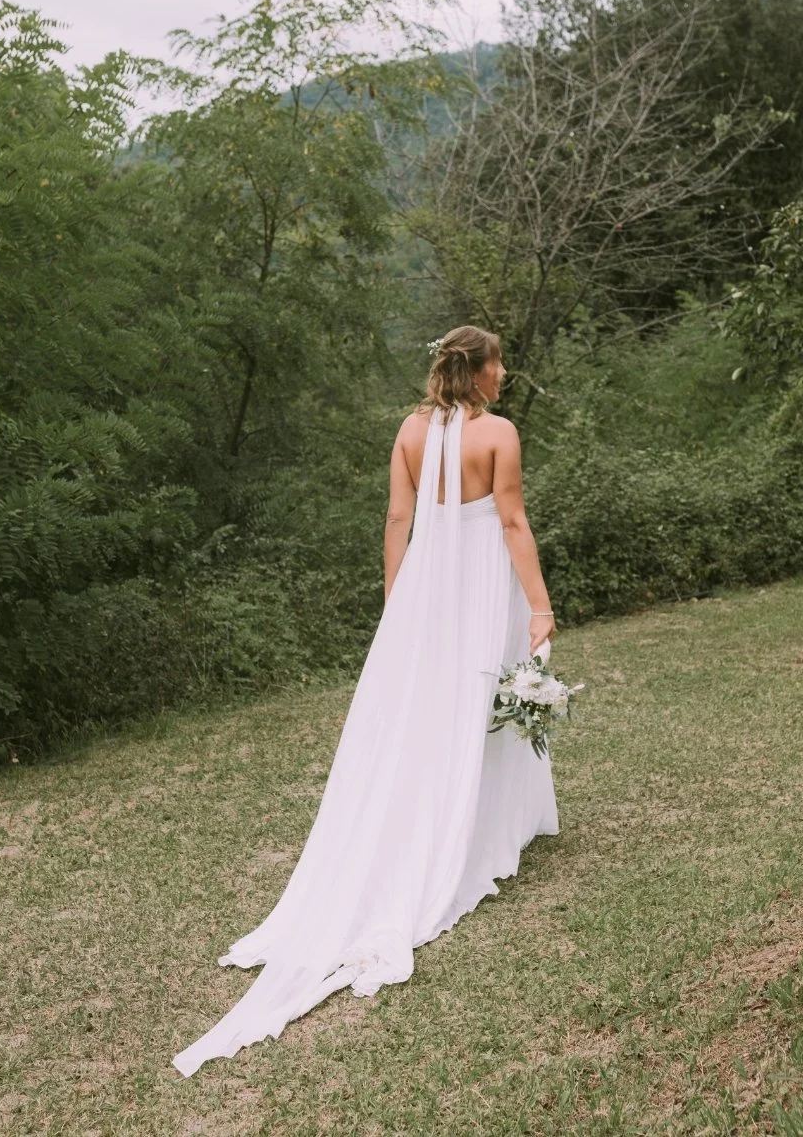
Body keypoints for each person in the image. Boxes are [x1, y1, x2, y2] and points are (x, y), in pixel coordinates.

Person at [172, 325, 559, 1077]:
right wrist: (540, 606)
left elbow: (397, 521)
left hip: (425, 588)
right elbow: (512, 521)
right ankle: (475, 833)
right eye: (498, 362)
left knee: (435, 710)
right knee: (482, 698)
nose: (505, 372)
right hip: (483, 583)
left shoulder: (410, 431)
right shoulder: (499, 434)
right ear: (478, 371)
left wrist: (398, 604)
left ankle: (470, 821)